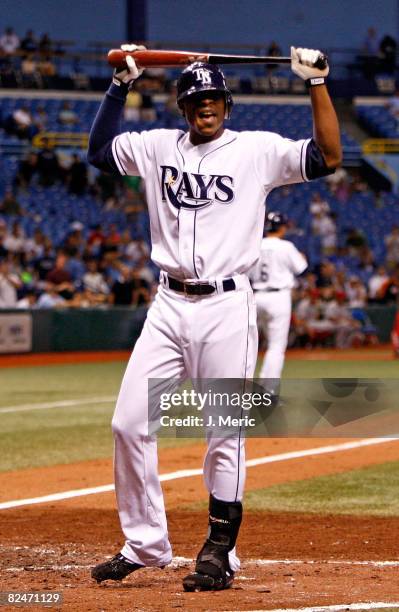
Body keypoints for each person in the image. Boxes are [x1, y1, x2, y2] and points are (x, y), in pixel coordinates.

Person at [87, 43, 341, 591]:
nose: (205, 105)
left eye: (213, 98)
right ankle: (145, 543)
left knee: (224, 431)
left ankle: (220, 553)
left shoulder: (255, 151)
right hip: (168, 304)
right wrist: (119, 86)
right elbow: (99, 152)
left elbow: (327, 157)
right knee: (129, 423)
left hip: (228, 305)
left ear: (227, 104)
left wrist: (317, 84)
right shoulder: (157, 147)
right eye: (196, 98)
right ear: (183, 106)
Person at [250, 211, 307, 390]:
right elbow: (301, 268)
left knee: (247, 344)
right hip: (278, 297)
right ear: (282, 227)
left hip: (256, 296)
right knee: (276, 346)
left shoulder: (254, 245)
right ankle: (268, 390)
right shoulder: (286, 246)